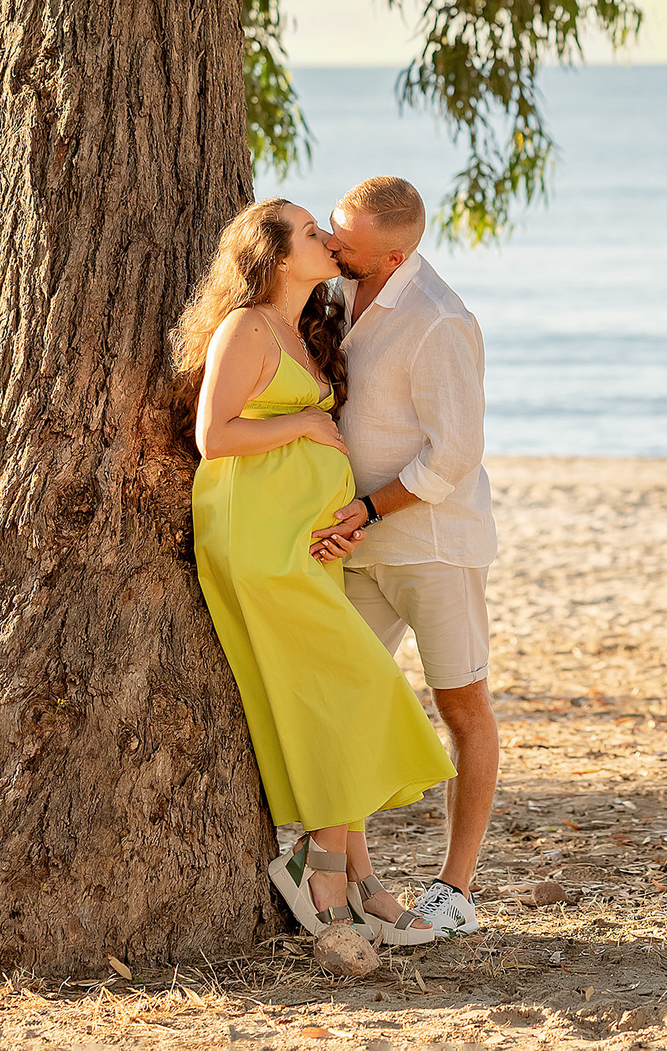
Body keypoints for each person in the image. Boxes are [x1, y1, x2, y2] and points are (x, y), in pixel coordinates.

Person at [177, 197, 456, 947]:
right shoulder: (245, 326)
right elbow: (214, 437)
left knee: (328, 698)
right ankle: (322, 867)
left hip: (305, 541)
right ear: (273, 256)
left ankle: (358, 878)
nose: (327, 240)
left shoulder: (305, 328)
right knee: (356, 685)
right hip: (258, 542)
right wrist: (305, 422)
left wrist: (335, 517)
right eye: (310, 232)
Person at [305, 176, 498, 937]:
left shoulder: (439, 321)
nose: (331, 245)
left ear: (393, 256)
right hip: (356, 544)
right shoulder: (334, 290)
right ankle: (352, 874)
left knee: (462, 707)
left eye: (346, 241)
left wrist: (369, 508)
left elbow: (454, 456)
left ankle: (456, 890)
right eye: (331, 228)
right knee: (342, 700)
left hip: (433, 548)